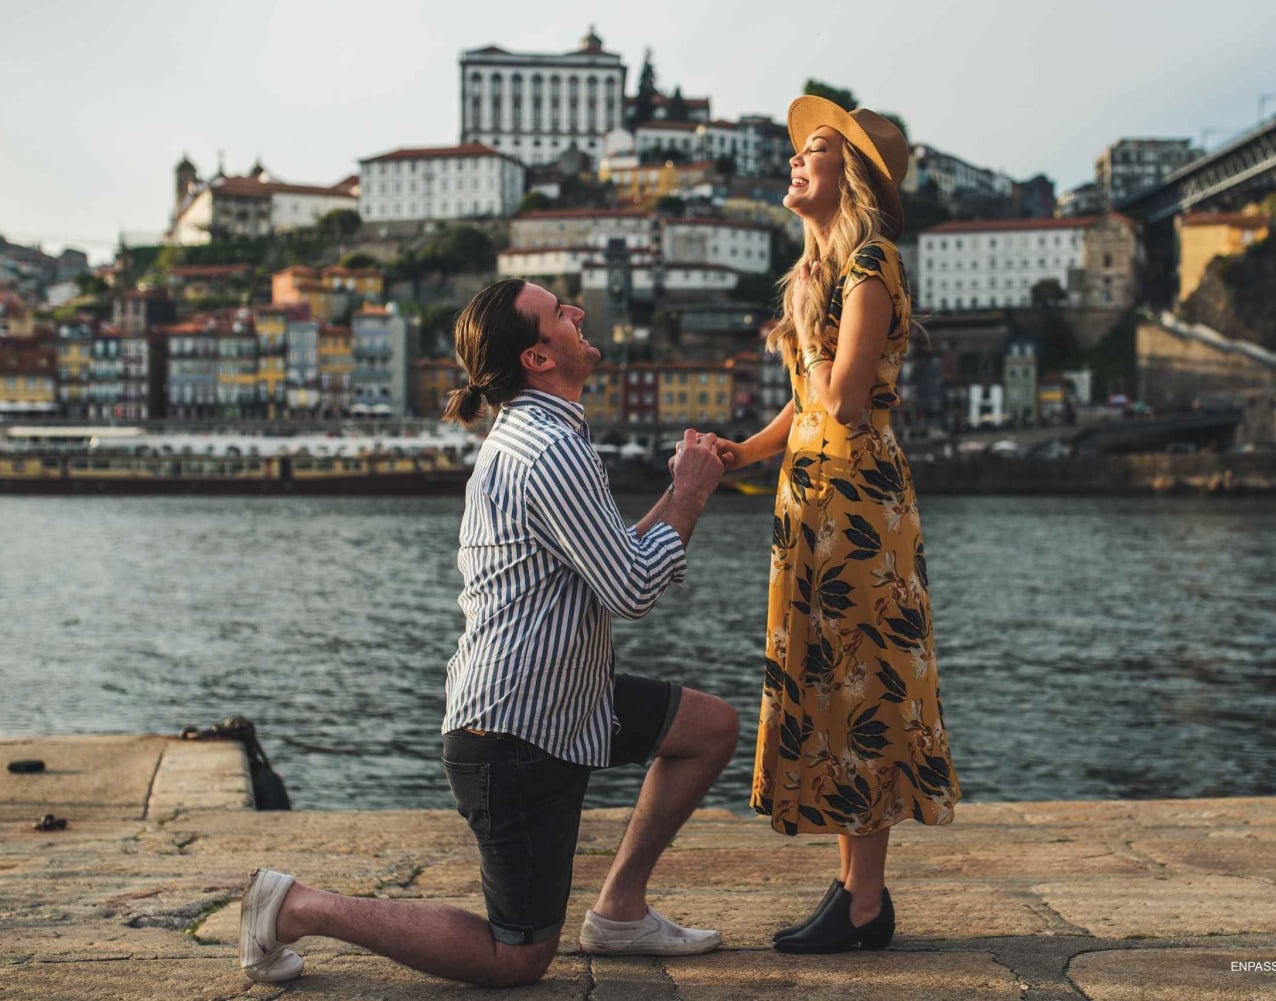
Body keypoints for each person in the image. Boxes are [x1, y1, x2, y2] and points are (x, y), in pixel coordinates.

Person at [237, 279, 738, 987]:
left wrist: (681, 491)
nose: (578, 313)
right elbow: (631, 590)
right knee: (517, 956)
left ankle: (620, 910)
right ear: (538, 357)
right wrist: (689, 495)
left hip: (563, 698)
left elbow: (613, 558)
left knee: (709, 728)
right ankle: (295, 907)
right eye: (560, 311)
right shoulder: (549, 449)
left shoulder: (540, 436)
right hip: (516, 732)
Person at [717, 96, 962, 954]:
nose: (795, 159)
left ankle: (862, 900)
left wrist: (809, 318)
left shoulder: (869, 263)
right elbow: (802, 405)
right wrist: (742, 452)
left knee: (866, 683)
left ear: (849, 174)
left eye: (813, 149)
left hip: (856, 501)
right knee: (831, 685)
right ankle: (857, 893)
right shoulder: (826, 271)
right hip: (814, 497)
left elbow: (845, 399)